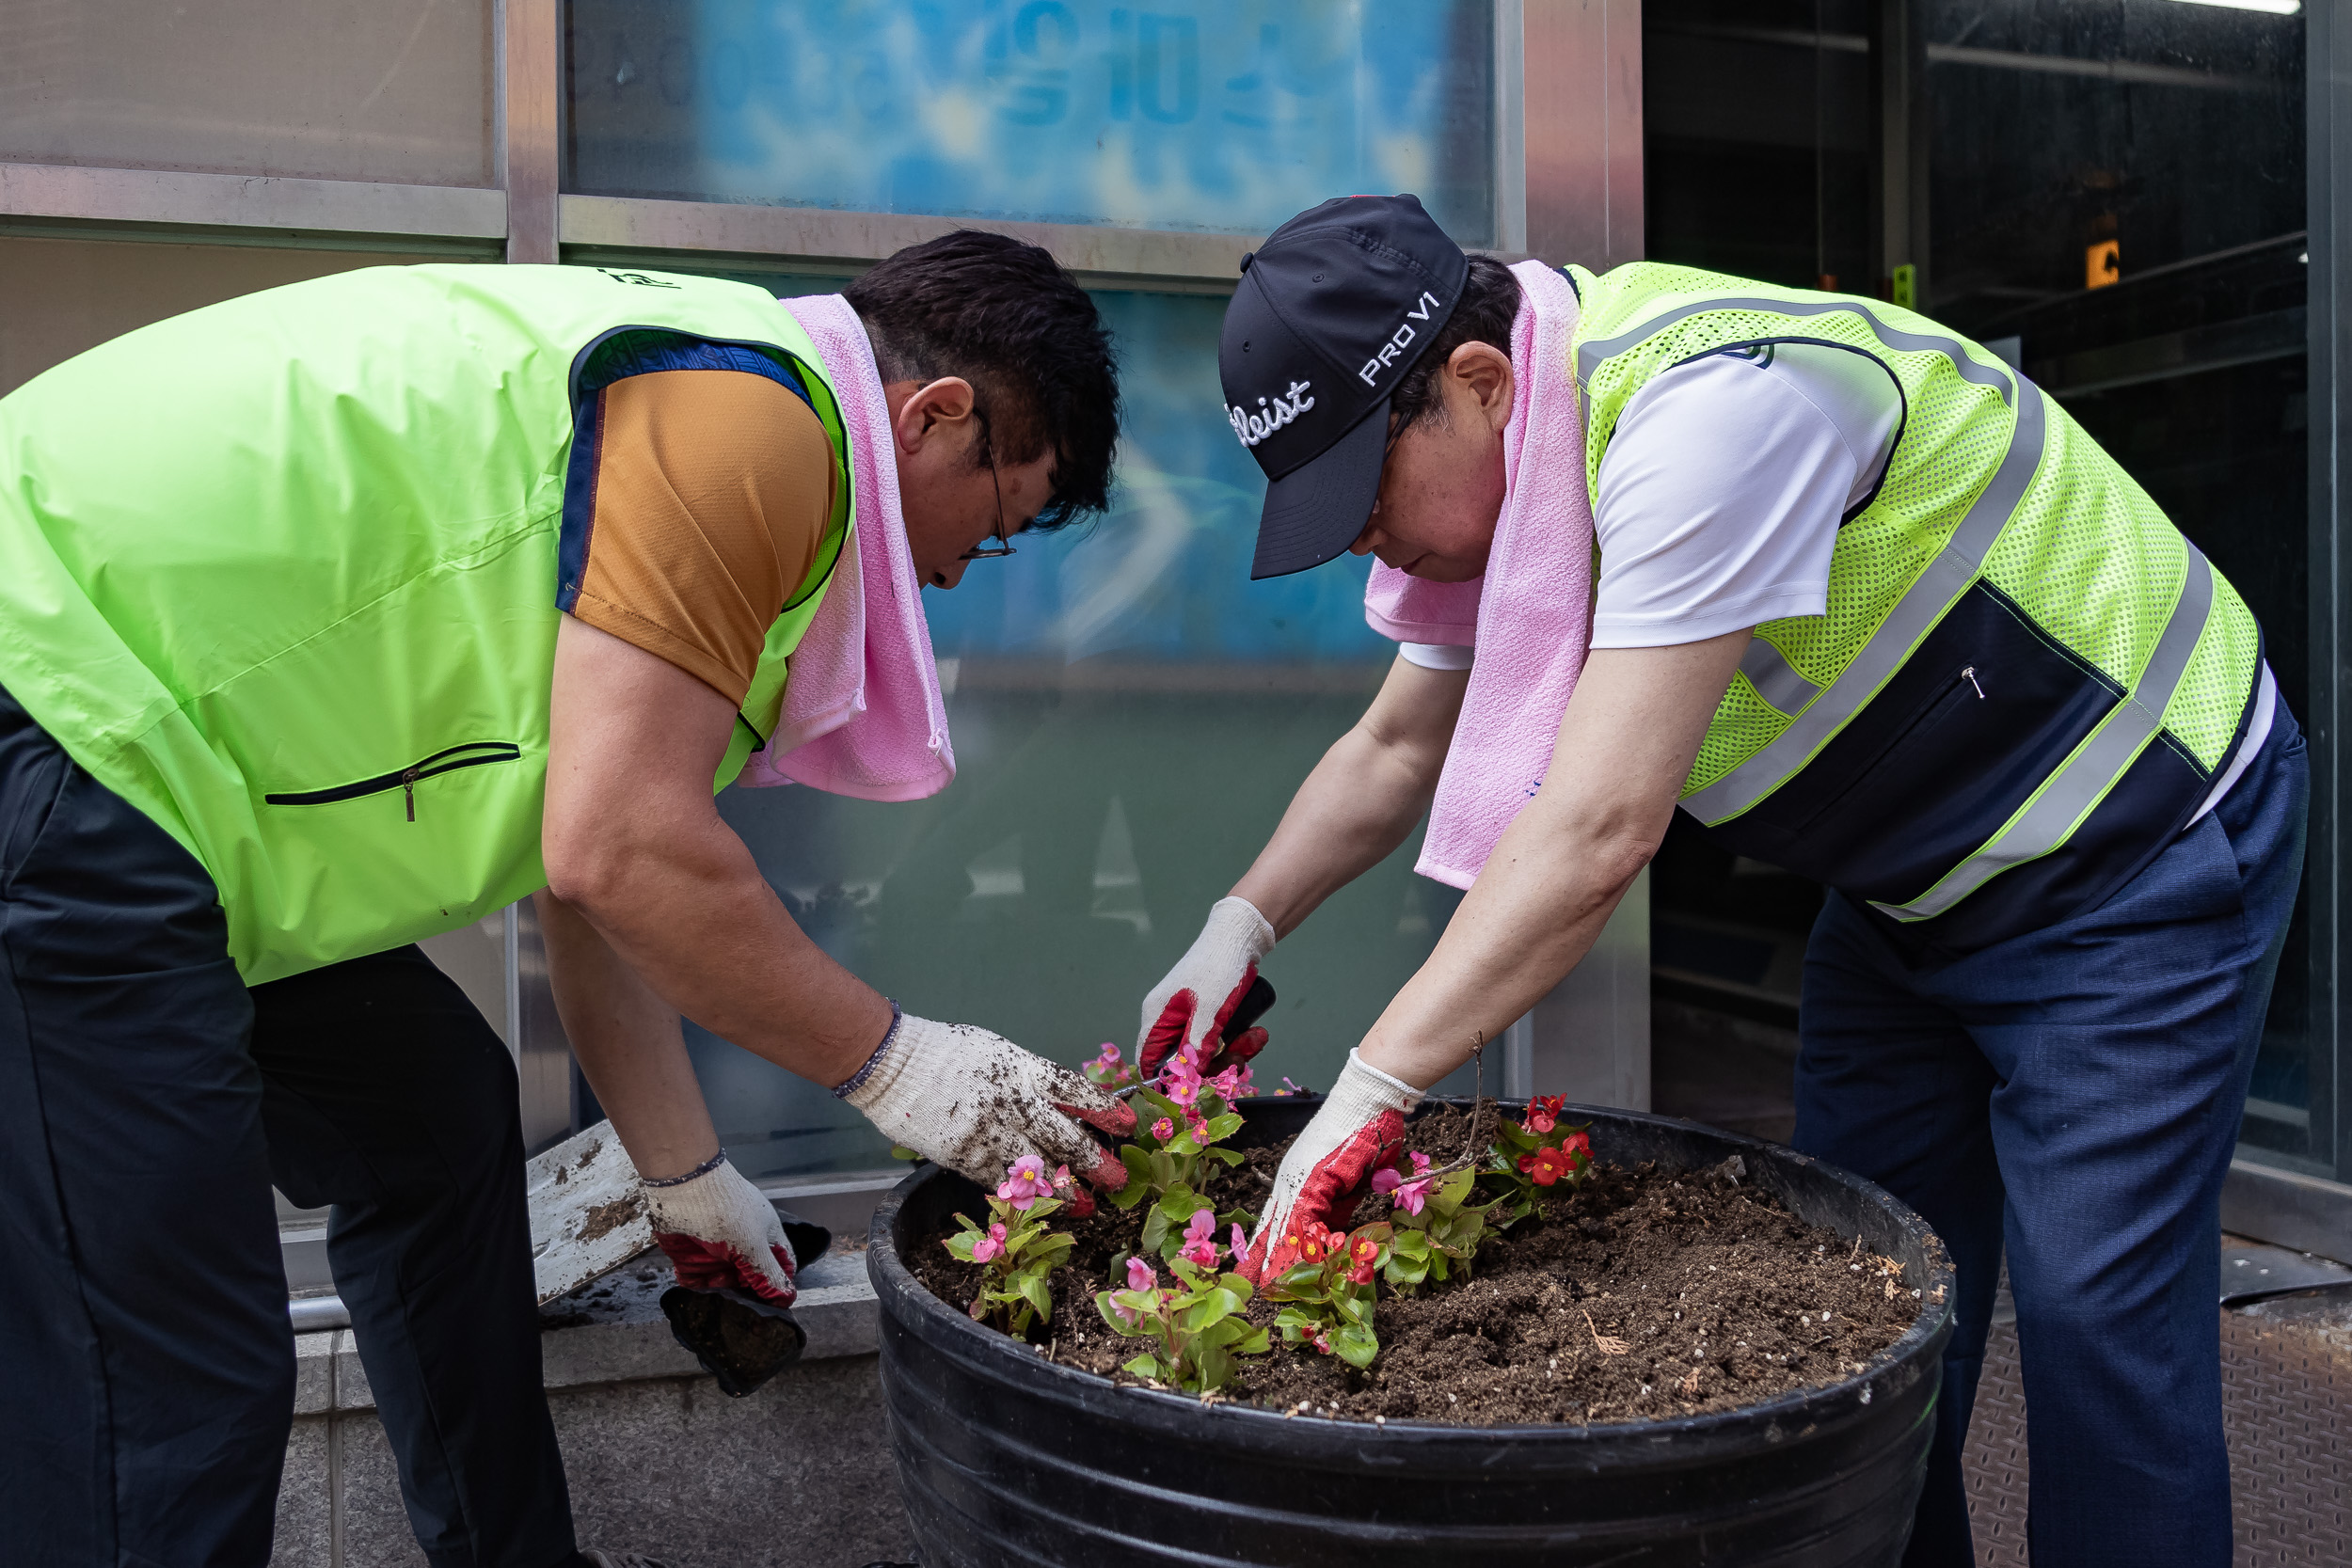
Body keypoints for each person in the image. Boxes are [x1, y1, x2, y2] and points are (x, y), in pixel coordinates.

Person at [1139, 195, 2301, 1567]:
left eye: (1362, 488)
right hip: (1907, 895)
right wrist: (1238, 923)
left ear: (1477, 383)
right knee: (1864, 1312)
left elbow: (1597, 830)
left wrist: (1374, 1091)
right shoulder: (1526, 481)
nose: (1353, 542)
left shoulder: (1710, 419)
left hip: (2134, 854)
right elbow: (1395, 744)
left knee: (2099, 1323)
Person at [0, 231, 1138, 1568]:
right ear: (935, 417)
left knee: (428, 1121)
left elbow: (590, 867)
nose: (959, 574)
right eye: (995, 526)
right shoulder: (762, 426)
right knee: (170, 1385)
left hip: (145, 767)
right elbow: (623, 849)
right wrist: (908, 1071)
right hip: (58, 710)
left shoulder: (716, 385)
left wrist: (687, 1178)